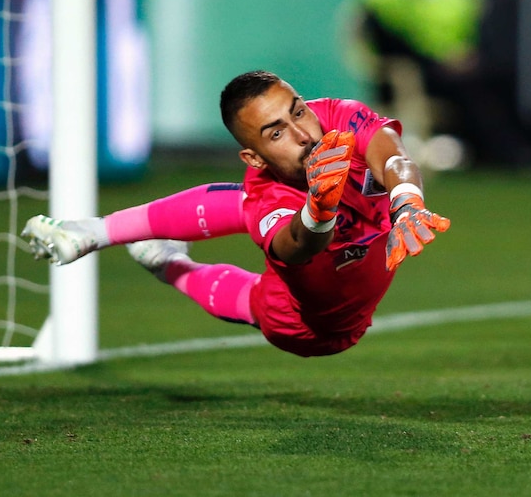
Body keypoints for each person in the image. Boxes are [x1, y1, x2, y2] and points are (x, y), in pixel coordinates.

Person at [22, 70, 450, 358]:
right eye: (276, 133)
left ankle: (95, 231)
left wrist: (407, 199)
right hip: (304, 324)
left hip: (346, 283)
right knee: (248, 262)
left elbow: (392, 156)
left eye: (297, 111)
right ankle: (168, 264)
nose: (303, 134)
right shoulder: (265, 196)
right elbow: (298, 246)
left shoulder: (336, 116)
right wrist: (319, 207)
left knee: (233, 203)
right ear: (254, 156)